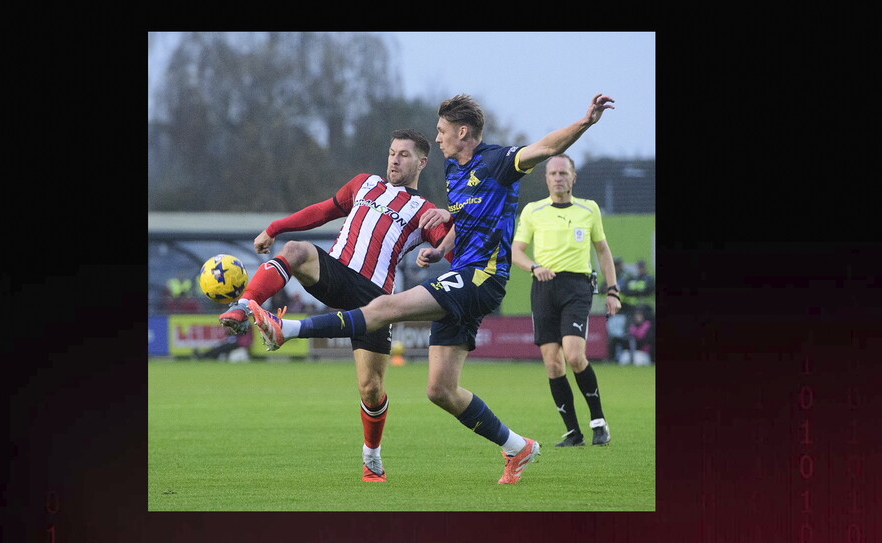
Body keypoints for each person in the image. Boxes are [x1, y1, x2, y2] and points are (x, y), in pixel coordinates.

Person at [243, 93, 615, 484]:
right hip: (465, 275)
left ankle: (287, 330)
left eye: (441, 131)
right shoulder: (454, 169)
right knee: (441, 390)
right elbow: (468, 222)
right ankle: (517, 447)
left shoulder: (497, 161)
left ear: (462, 132)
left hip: (481, 277)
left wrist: (585, 122)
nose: (437, 138)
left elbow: (546, 147)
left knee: (386, 307)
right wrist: (440, 248)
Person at [217, 129, 453, 482]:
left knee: (371, 389)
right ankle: (245, 306)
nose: (394, 160)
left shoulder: (425, 211)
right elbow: (322, 211)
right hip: (336, 272)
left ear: (422, 162)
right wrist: (275, 228)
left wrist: (447, 233)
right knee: (296, 250)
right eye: (392, 152)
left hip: (375, 299)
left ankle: (371, 456)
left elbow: (454, 248)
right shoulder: (364, 184)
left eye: (404, 155)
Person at [510, 153, 620, 447]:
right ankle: (573, 433)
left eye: (563, 173)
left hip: (577, 287)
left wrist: (612, 290)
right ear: (546, 178)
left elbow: (603, 251)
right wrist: (534, 267)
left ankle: (598, 422)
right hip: (544, 287)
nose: (558, 178)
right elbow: (516, 252)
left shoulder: (589, 209)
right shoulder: (533, 210)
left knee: (573, 355)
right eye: (553, 173)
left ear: (573, 177)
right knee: (553, 363)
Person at [605, 257, 631, 361]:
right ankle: (612, 357)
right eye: (615, 265)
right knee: (612, 336)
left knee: (623, 335)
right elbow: (603, 288)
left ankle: (623, 357)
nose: (617, 267)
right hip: (612, 312)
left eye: (618, 265)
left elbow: (628, 290)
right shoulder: (610, 277)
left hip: (623, 311)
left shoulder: (626, 277)